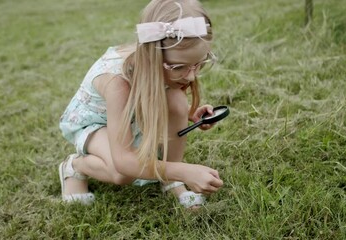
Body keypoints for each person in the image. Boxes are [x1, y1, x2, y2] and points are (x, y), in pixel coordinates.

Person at [58, 0, 223, 208]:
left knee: (177, 100)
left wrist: (191, 114)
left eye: (199, 64)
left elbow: (163, 95)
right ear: (152, 57)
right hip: (97, 123)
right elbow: (124, 161)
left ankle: (171, 181)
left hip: (132, 115)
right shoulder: (117, 83)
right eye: (180, 67)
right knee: (122, 173)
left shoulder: (168, 67)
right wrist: (185, 170)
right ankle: (75, 166)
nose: (191, 77)